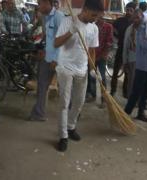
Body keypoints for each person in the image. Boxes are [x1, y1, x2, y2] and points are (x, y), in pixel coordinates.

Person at [54, 0, 103, 152]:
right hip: (65, 68)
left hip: (82, 69)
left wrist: (92, 68)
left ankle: (71, 127)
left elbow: (92, 50)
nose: (95, 19)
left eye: (98, 16)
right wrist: (71, 31)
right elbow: (56, 43)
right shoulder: (68, 21)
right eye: (94, 15)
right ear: (85, 10)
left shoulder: (94, 28)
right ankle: (63, 136)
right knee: (64, 103)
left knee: (79, 102)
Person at [28, 0, 64, 122]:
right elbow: (46, 37)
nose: (39, 6)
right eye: (38, 3)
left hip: (58, 59)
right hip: (46, 57)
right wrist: (42, 49)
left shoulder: (59, 17)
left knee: (65, 88)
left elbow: (64, 40)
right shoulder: (44, 17)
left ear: (50, 4)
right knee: (42, 85)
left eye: (41, 3)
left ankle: (72, 113)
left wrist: (56, 59)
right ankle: (39, 113)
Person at [86, 14, 113, 107]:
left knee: (102, 77)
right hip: (92, 55)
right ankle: (92, 94)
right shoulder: (92, 26)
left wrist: (105, 54)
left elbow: (109, 42)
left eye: (102, 17)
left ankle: (103, 98)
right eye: (98, 17)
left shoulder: (108, 27)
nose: (100, 18)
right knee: (91, 76)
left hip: (102, 56)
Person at [110, 2, 136, 97]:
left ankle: (125, 92)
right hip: (120, 48)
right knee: (115, 70)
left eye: (131, 10)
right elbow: (113, 30)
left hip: (131, 51)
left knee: (127, 72)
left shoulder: (134, 23)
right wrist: (116, 37)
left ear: (134, 11)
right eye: (127, 10)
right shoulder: (119, 21)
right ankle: (113, 90)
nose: (128, 12)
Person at [122, 9, 144, 101]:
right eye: (134, 18)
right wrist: (125, 61)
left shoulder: (145, 28)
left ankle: (139, 101)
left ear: (142, 17)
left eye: (138, 18)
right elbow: (125, 46)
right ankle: (131, 100)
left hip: (143, 60)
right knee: (132, 81)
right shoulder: (129, 29)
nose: (136, 20)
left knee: (142, 82)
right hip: (132, 59)